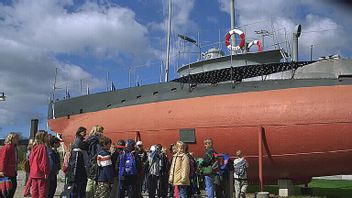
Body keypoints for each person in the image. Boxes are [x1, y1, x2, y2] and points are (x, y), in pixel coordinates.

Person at [68, 126, 89, 198]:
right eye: (84, 132)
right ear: (80, 132)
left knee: (76, 188)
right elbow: (76, 157)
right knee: (78, 187)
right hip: (78, 169)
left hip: (76, 169)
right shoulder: (79, 142)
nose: (85, 133)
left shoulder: (77, 140)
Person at [29, 131, 50, 198]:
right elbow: (44, 161)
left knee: (34, 190)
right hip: (41, 173)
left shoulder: (34, 147)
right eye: (46, 136)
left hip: (33, 172)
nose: (47, 138)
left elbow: (30, 160)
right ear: (43, 137)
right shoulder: (43, 147)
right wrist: (46, 172)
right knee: (42, 191)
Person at [86, 125, 104, 198]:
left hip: (89, 163)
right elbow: (98, 152)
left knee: (90, 181)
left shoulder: (89, 139)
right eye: (101, 131)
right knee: (94, 184)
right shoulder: (96, 141)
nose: (102, 133)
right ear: (98, 132)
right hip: (95, 163)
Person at [0, 132, 19, 198]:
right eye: (16, 138)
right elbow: (3, 159)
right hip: (6, 172)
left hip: (13, 171)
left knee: (12, 187)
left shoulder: (14, 148)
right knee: (6, 189)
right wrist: (1, 170)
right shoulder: (7, 147)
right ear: (11, 138)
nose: (17, 139)